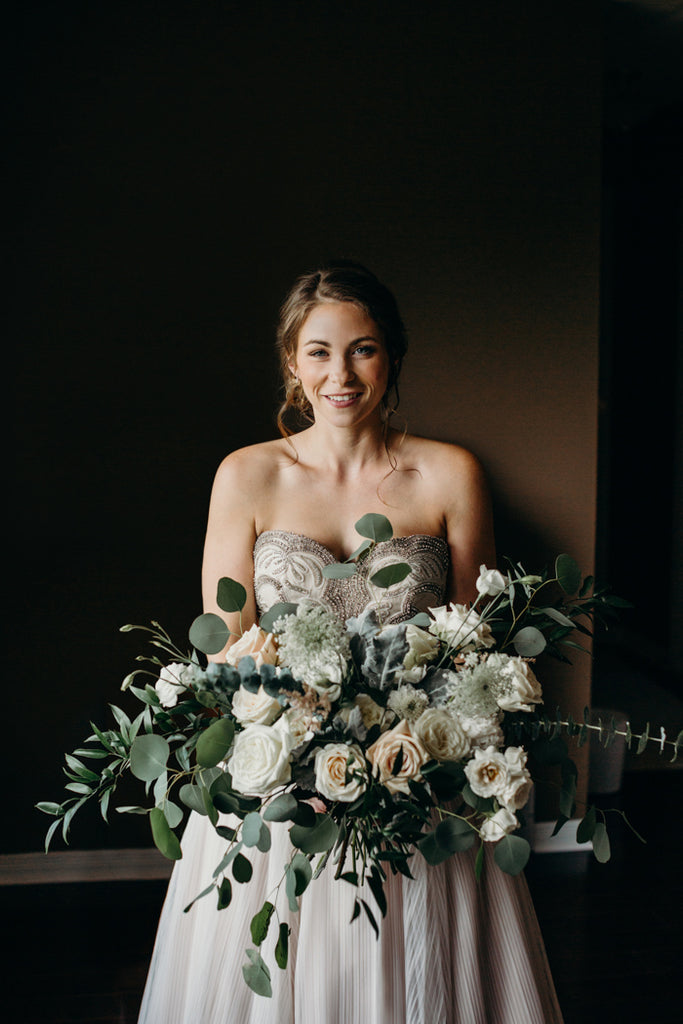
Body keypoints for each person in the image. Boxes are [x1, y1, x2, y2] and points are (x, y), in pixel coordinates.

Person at [137, 262, 563, 1023]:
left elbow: (475, 643)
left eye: (362, 349)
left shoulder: (449, 472)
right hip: (280, 782)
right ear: (292, 365)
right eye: (320, 352)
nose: (341, 373)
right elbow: (227, 647)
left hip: (418, 776)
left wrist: (414, 734)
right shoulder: (246, 475)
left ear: (391, 356)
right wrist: (291, 730)